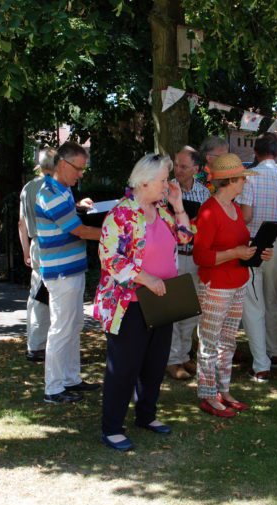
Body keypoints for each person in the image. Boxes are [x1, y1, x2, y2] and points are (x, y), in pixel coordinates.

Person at [95, 153, 193, 451]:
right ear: (145, 181)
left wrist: (178, 207)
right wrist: (145, 277)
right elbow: (109, 257)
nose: (168, 184)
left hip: (162, 300)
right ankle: (112, 427)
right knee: (124, 366)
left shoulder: (162, 211)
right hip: (129, 303)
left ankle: (146, 415)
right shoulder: (121, 215)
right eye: (164, 180)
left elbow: (186, 239)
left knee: (154, 364)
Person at [193, 153, 272, 417]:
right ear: (231, 180)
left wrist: (257, 251)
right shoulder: (209, 210)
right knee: (210, 341)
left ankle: (223, 390)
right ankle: (207, 394)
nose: (245, 183)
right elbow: (201, 256)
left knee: (228, 341)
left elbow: (242, 243)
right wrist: (236, 253)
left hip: (237, 282)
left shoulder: (235, 208)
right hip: (216, 286)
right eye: (242, 179)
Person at [35, 141, 102, 404]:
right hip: (61, 272)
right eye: (78, 168)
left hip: (71, 269)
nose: (81, 174)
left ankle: (71, 379)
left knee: (74, 325)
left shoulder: (62, 190)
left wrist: (77, 206)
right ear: (63, 164)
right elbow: (80, 231)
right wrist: (116, 234)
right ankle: (53, 388)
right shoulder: (50, 193)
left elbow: (68, 217)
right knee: (62, 328)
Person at [237, 133, 277, 381]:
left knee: (253, 303)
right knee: (272, 300)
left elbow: (247, 216)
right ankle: (275, 351)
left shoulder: (250, 179)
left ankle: (261, 360)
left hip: (252, 244)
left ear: (255, 152)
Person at [167, 146, 211, 380]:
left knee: (190, 311)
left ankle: (184, 356)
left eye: (184, 166)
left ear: (196, 168)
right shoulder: (166, 189)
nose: (179, 170)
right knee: (173, 310)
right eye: (176, 164)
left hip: (194, 258)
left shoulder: (204, 194)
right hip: (173, 257)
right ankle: (172, 360)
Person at [18, 148, 58, 362]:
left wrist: (26, 251)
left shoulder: (28, 188)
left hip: (36, 244)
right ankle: (40, 345)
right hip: (51, 244)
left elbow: (21, 224)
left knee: (38, 295)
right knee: (47, 296)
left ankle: (36, 343)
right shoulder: (55, 187)